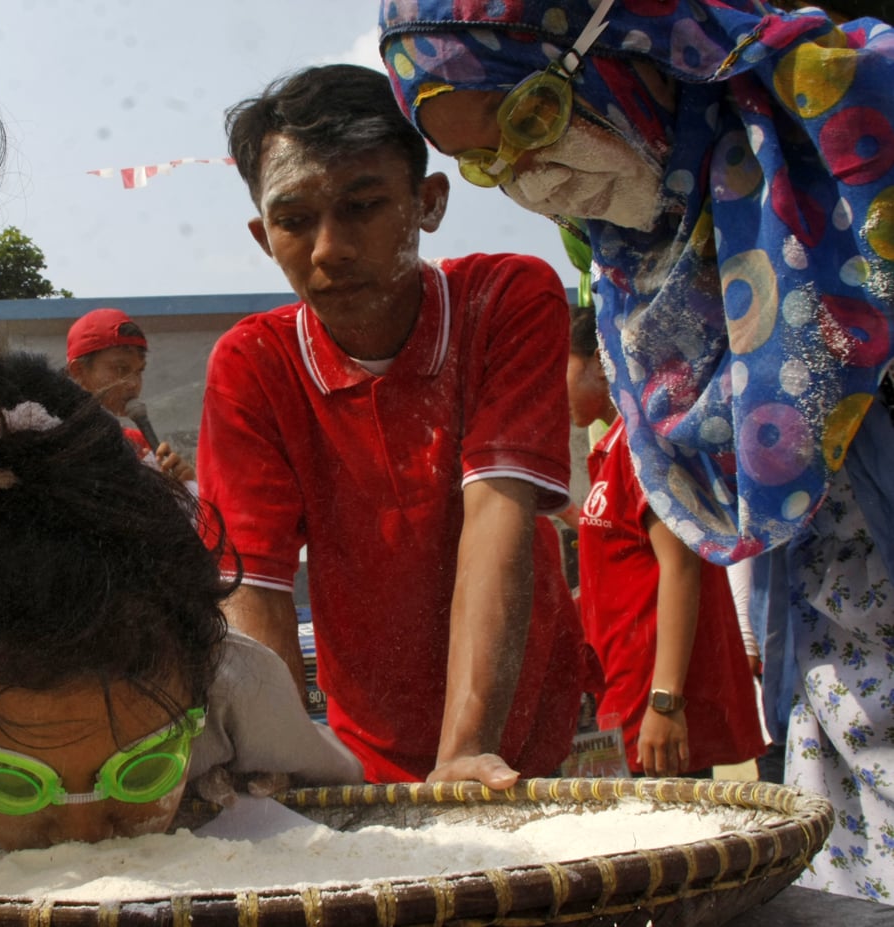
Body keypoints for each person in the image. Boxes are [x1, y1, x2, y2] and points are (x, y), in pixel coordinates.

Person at [380, 0, 894, 902]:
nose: (525, 173)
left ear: (628, 48)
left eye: (528, 116)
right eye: (485, 159)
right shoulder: (647, 261)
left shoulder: (862, 134)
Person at [0, 317, 363, 850]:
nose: (85, 837)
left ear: (199, 685)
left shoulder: (236, 689)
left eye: (143, 772)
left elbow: (340, 822)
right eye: (14, 782)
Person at [198, 64, 590, 790]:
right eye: (294, 221)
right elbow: (256, 584)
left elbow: (497, 512)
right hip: (363, 735)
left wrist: (466, 747)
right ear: (262, 236)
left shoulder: (504, 299)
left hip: (517, 729)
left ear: (428, 202)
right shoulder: (252, 363)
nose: (328, 248)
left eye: (363, 206)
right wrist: (281, 762)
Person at [569, 305, 765, 778]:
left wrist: (666, 701)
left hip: (653, 708)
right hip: (620, 693)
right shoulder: (612, 448)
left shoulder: (648, 446)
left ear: (600, 362)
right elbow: (623, 549)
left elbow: (680, 568)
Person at [65, 307, 196, 484]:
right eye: (120, 369)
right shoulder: (50, 438)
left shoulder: (138, 445)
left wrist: (180, 487)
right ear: (78, 372)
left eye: (139, 371)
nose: (134, 383)